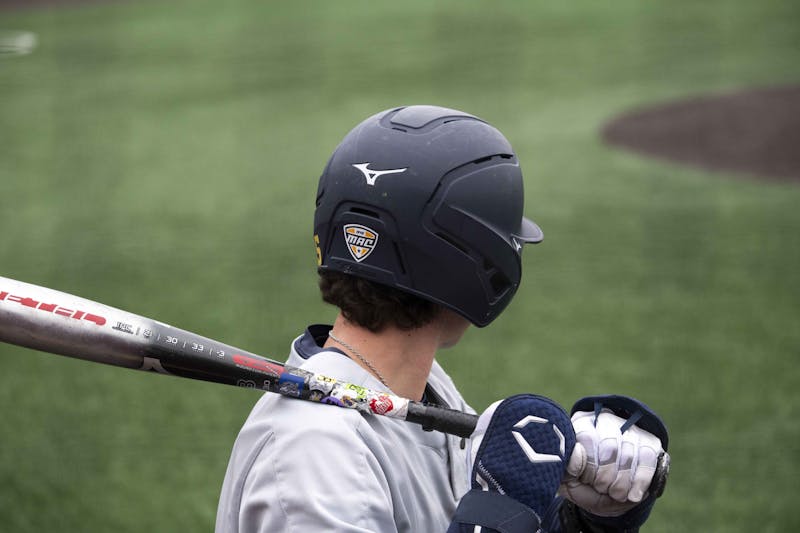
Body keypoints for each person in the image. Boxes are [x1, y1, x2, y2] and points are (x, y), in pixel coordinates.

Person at [215, 105, 669, 532]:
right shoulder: (316, 452)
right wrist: (501, 508)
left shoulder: (423, 388)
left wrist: (581, 519)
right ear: (475, 261)